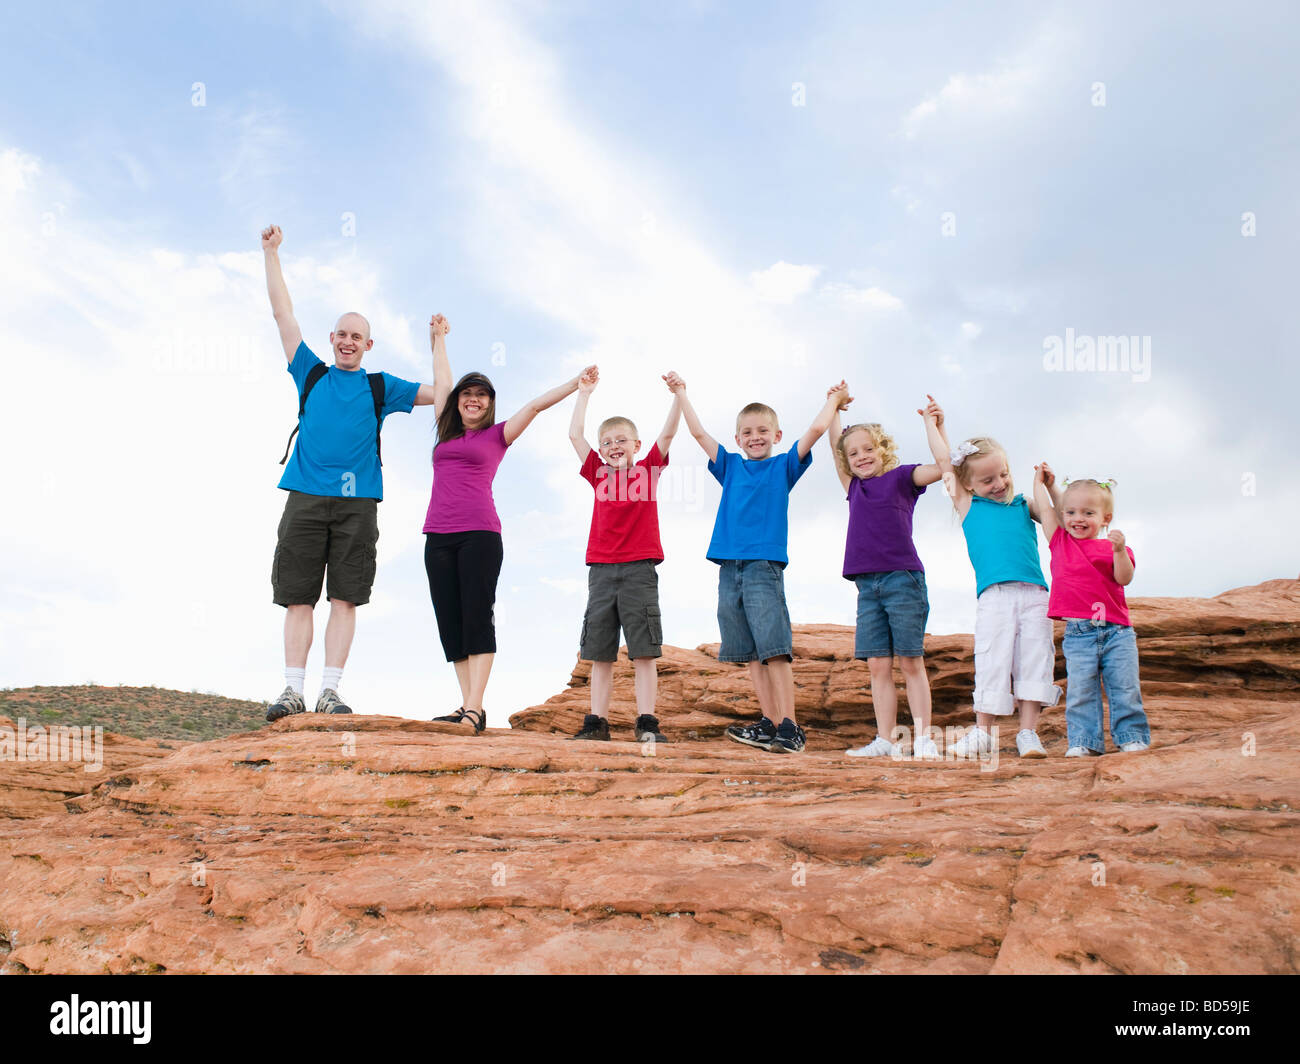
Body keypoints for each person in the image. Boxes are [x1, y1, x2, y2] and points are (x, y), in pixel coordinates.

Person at [261, 224, 442, 722]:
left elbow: (443, 396)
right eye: (340, 334)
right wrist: (272, 253)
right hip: (304, 496)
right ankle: (292, 691)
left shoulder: (382, 387)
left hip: (358, 503)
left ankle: (330, 693)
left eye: (355, 336)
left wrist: (437, 344)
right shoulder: (310, 372)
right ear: (332, 340)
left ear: (368, 344)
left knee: (345, 598)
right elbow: (282, 313)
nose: (347, 341)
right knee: (298, 597)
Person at [423, 316, 595, 733]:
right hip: (437, 536)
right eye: (468, 394)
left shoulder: (498, 435)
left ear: (490, 403)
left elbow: (535, 406)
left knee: (477, 615)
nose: (473, 400)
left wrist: (577, 384)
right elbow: (441, 378)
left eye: (481, 395)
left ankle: (475, 707)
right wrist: (439, 339)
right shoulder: (445, 433)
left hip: (480, 535)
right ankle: (468, 706)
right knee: (451, 621)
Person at [674, 376, 847, 754]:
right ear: (738, 439)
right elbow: (699, 433)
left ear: (776, 434)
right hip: (728, 567)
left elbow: (817, 429)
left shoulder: (783, 467)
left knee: (773, 648)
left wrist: (833, 400)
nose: (755, 437)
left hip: (762, 567)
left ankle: (791, 727)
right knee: (750, 652)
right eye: (747, 432)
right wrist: (682, 393)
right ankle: (769, 722)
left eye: (763, 431)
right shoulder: (731, 466)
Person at [926, 405, 1062, 759]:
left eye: (1002, 475)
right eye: (987, 480)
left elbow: (1054, 522)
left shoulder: (1022, 504)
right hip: (995, 596)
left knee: (1035, 657)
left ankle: (1028, 733)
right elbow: (945, 464)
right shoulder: (967, 505)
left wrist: (1046, 487)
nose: (999, 484)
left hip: (1035, 594)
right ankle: (983, 732)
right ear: (969, 483)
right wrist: (935, 424)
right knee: (992, 658)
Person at [566, 368, 683, 742]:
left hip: (639, 570)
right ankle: (596, 723)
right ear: (601, 450)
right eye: (607, 442)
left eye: (622, 440)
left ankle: (647, 722)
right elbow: (574, 435)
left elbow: (668, 434)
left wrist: (678, 395)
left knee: (643, 651)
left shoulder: (648, 470)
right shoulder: (597, 474)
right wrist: (584, 393)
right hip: (601, 572)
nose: (614, 446)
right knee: (600, 653)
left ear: (636, 445)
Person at [828, 389, 944, 759]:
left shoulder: (903, 478)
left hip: (902, 580)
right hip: (867, 586)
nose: (861, 457)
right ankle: (885, 739)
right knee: (878, 664)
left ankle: (924, 739)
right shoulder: (854, 488)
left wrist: (933, 425)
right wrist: (834, 407)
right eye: (854, 453)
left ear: (883, 450)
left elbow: (944, 466)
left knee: (910, 660)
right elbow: (834, 445)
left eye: (868, 449)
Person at [1032, 472, 1150, 755]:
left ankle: (1131, 736)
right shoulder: (1061, 542)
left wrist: (1120, 551)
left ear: (1105, 518)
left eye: (1088, 512)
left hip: (1116, 632)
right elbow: (1047, 510)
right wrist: (1043, 484)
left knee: (1124, 687)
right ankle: (1084, 742)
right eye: (1071, 512)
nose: (1078, 518)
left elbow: (1124, 578)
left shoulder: (1113, 547)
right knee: (1081, 692)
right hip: (1078, 634)